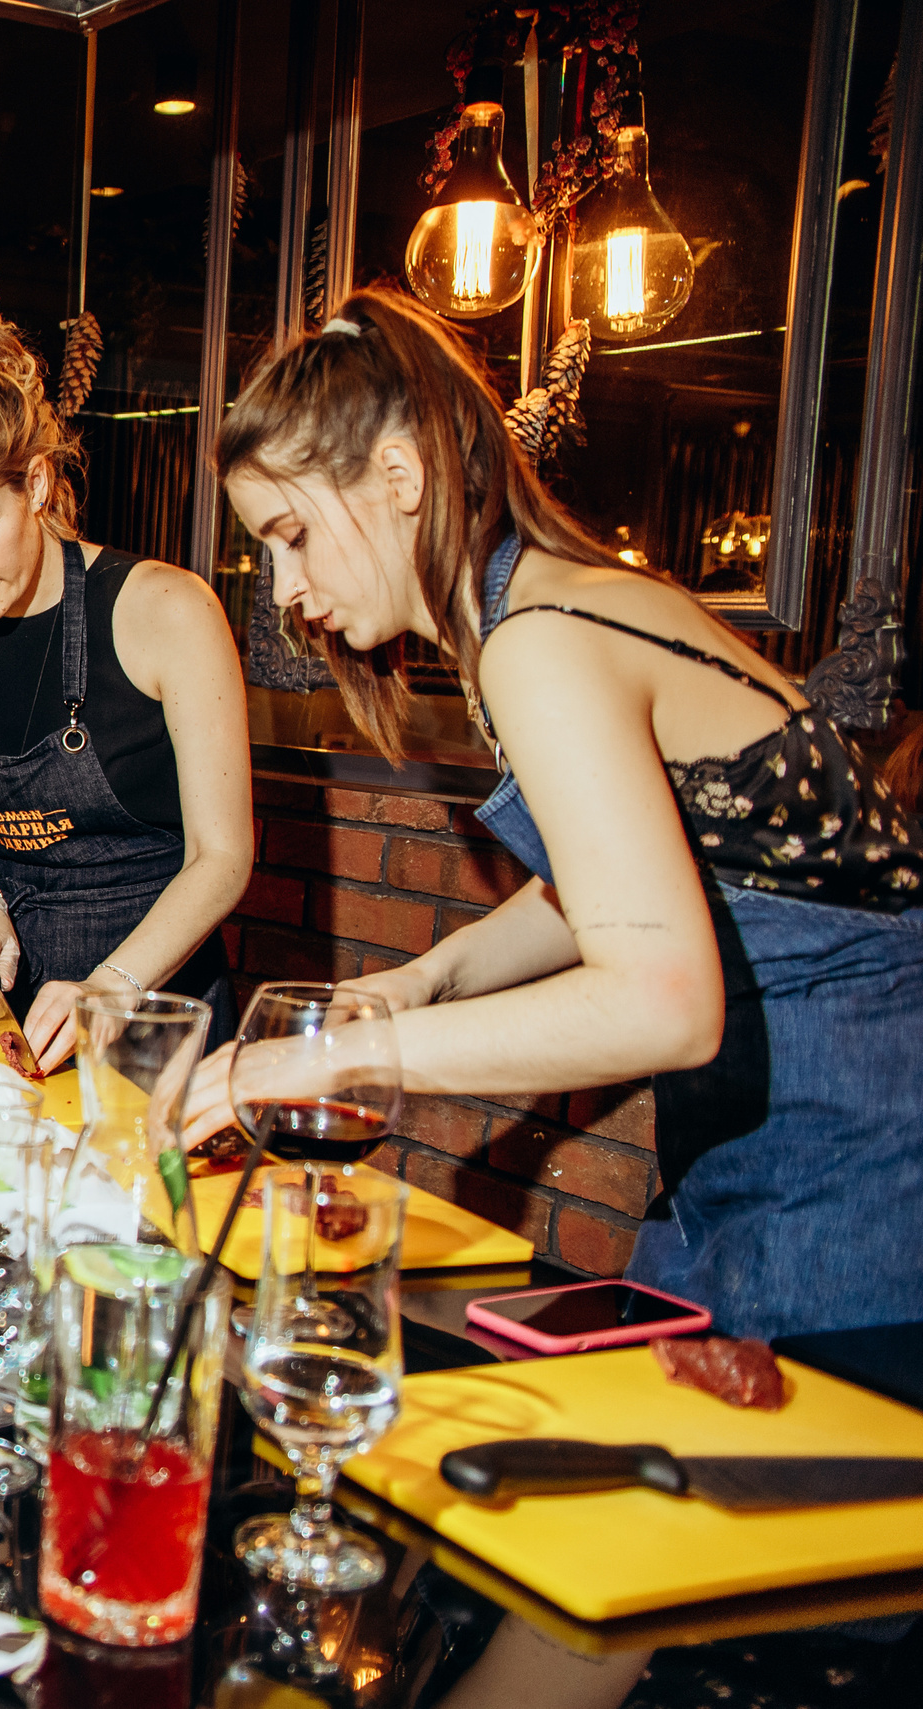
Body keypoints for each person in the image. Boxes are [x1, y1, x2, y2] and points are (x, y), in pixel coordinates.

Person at [186, 289, 923, 1344]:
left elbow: (663, 1001)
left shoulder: (538, 638)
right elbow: (622, 880)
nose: (287, 588)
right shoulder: (535, 612)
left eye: (293, 534)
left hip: (858, 1153)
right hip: (762, 1133)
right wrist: (421, 981)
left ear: (400, 476)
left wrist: (319, 1060)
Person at [0, 311, 254, 1064]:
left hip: (150, 1012)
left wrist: (113, 985)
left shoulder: (167, 610)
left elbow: (223, 855)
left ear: (36, 484)